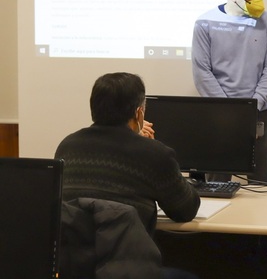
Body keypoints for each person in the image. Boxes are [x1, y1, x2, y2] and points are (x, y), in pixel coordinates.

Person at [55, 72, 201, 279]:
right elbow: (186, 210)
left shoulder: (67, 147)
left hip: (77, 269)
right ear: (138, 113)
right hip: (131, 271)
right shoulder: (153, 153)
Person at [192, 0, 267, 183]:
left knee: (261, 186)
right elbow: (202, 71)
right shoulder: (205, 23)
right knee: (216, 185)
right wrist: (230, 111)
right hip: (219, 116)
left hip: (259, 115)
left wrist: (252, 107)